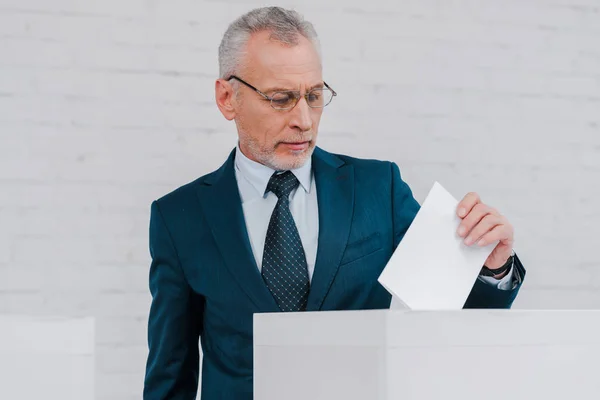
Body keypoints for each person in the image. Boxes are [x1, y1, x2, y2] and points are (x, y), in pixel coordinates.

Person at [143, 6, 526, 399]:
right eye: (280, 99)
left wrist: (492, 268)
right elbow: (170, 375)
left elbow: (458, 319)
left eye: (314, 95)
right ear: (227, 98)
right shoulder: (179, 218)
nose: (304, 120)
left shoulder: (379, 189)